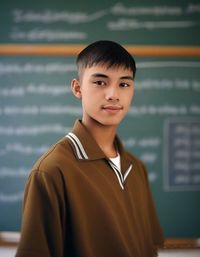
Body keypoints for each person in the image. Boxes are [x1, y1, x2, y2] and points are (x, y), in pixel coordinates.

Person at [15, 40, 164, 257]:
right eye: (100, 82)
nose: (113, 94)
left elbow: (148, 247)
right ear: (77, 88)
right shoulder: (51, 171)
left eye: (124, 84)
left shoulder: (136, 167)